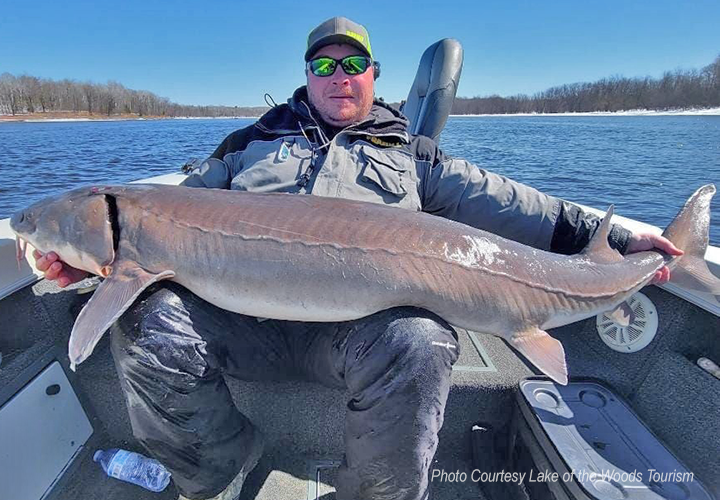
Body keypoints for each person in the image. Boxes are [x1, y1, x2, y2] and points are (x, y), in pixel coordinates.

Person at [33, 16, 681, 500]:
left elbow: (511, 203)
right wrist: (74, 261)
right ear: (307, 76)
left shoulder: (412, 152)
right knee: (147, 323)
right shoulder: (247, 144)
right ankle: (222, 474)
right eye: (325, 66)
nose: (339, 76)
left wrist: (616, 241)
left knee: (423, 339)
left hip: (365, 330)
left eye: (354, 64)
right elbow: (171, 205)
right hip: (241, 320)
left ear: (373, 75)